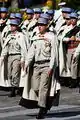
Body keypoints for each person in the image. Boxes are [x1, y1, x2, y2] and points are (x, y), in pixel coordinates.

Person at [19, 17, 60, 119]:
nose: (39, 27)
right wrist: (27, 63)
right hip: (36, 66)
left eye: (41, 25)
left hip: (46, 65)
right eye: (38, 25)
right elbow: (31, 52)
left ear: (46, 26)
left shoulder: (52, 37)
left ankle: (42, 110)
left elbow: (54, 54)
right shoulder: (36, 37)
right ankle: (44, 102)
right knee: (35, 87)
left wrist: (51, 67)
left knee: (43, 88)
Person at [0, 19, 27, 97]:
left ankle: (13, 89)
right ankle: (14, 86)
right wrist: (2, 57)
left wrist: (23, 59)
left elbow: (23, 48)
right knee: (9, 74)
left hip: (17, 56)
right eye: (11, 26)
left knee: (15, 73)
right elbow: (5, 47)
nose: (12, 27)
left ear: (17, 27)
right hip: (9, 56)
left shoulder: (20, 36)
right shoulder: (9, 36)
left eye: (13, 26)